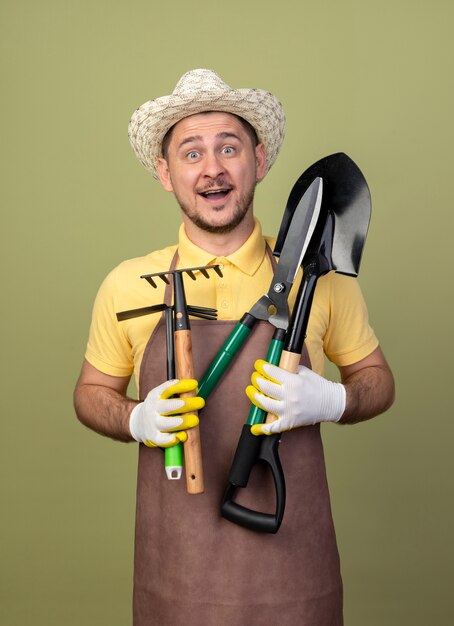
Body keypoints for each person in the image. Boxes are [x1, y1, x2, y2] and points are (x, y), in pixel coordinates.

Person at [74, 69, 395, 626]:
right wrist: (134, 419)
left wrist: (334, 402)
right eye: (191, 152)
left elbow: (378, 381)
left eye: (229, 147)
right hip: (176, 579)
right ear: (165, 173)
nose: (213, 168)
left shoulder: (318, 278)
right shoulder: (128, 283)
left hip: (296, 571)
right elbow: (90, 394)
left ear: (260, 160)